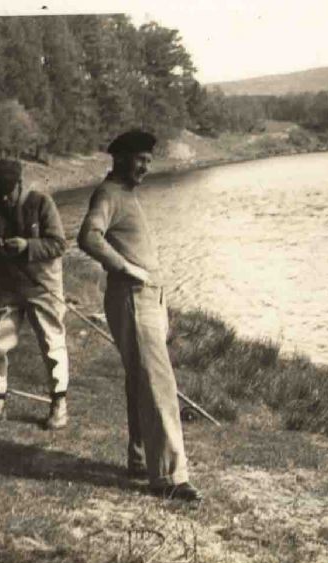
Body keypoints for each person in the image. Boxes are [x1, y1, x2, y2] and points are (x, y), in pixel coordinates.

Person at [77, 130, 202, 502]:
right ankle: (169, 477)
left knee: (141, 380)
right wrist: (127, 269)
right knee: (157, 384)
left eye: (149, 159)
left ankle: (141, 459)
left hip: (148, 298)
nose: (145, 166)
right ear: (120, 159)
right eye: (139, 159)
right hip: (132, 297)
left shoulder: (125, 193)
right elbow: (88, 237)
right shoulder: (109, 193)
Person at [0, 159, 69, 429]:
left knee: (51, 342)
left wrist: (28, 246)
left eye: (7, 194)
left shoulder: (42, 203)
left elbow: (59, 244)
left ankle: (59, 405)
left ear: (20, 184)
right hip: (5, 286)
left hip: (42, 284)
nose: (3, 200)